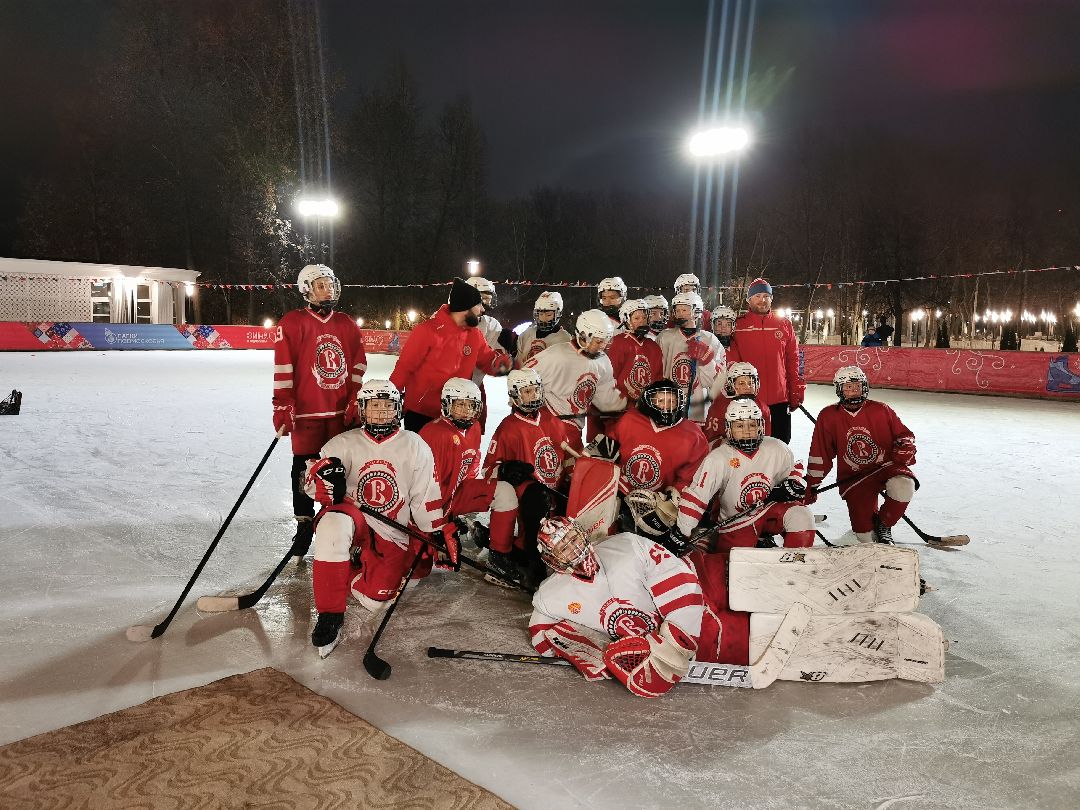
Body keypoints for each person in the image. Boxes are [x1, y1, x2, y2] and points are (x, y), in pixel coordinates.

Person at [302, 380, 456, 657]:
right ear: (362, 410)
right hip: (353, 518)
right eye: (374, 407)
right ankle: (330, 615)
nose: (381, 413)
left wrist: (433, 534)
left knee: (377, 601)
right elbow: (312, 484)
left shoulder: (415, 445)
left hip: (392, 529)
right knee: (333, 524)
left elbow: (425, 495)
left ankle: (350, 569)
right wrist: (327, 479)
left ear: (398, 409)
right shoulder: (343, 443)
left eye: (387, 407)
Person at [673, 398, 814, 664]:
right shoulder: (719, 458)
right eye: (740, 426)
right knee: (735, 579)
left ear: (762, 426)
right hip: (735, 522)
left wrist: (793, 485)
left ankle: (795, 575)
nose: (747, 431)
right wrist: (682, 533)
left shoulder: (776, 448)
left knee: (801, 516)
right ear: (729, 428)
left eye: (752, 425)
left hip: (769, 512)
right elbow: (696, 497)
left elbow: (795, 470)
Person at [528, 516, 712, 698]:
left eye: (573, 538)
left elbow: (678, 577)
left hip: (690, 626)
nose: (574, 548)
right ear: (553, 559)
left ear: (582, 533)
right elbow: (541, 634)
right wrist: (599, 658)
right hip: (635, 647)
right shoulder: (550, 595)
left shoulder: (627, 546)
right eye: (564, 548)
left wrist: (678, 640)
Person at [273, 263, 367, 558]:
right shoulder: (291, 322)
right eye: (321, 285)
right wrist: (283, 403)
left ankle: (341, 524)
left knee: (343, 471)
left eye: (330, 284)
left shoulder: (346, 324)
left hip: (339, 414)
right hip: (307, 415)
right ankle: (303, 528)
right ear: (306, 290)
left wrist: (354, 396)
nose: (328, 289)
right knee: (303, 470)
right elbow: (284, 368)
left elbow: (357, 363)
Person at [419, 377, 527, 587]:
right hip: (427, 506)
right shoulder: (435, 434)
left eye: (471, 405)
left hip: (454, 495)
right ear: (446, 405)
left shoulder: (474, 427)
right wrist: (440, 525)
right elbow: (424, 487)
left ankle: (498, 557)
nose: (466, 411)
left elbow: (470, 468)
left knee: (504, 492)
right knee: (415, 573)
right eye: (460, 405)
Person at [804, 366, 917, 544]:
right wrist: (811, 484)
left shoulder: (881, 410)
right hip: (854, 478)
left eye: (856, 386)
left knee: (904, 485)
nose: (853, 391)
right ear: (839, 390)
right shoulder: (828, 416)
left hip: (885, 468)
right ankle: (873, 531)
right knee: (865, 537)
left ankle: (884, 524)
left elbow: (904, 435)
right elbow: (820, 453)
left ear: (864, 387)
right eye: (847, 387)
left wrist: (905, 447)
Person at [482, 368, 573, 586]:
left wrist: (573, 475)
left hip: (553, 484)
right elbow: (488, 470)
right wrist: (504, 469)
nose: (533, 396)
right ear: (514, 395)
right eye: (526, 392)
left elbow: (567, 456)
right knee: (537, 498)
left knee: (571, 496)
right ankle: (535, 562)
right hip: (529, 490)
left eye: (535, 390)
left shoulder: (551, 420)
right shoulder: (508, 428)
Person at [389, 277, 512, 433]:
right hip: (422, 413)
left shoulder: (474, 335)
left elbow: (489, 362)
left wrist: (509, 363)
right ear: (466, 307)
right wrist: (390, 397)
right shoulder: (427, 331)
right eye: (479, 304)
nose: (482, 310)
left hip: (455, 414)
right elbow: (404, 368)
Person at [524, 309, 626, 451]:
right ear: (584, 336)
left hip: (574, 430)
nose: (603, 346)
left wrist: (625, 406)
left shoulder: (603, 362)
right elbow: (522, 379)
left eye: (606, 341)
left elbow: (606, 397)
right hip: (547, 428)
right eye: (599, 341)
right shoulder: (555, 355)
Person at [727, 277, 804, 444]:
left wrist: (795, 390)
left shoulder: (783, 324)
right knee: (751, 447)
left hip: (779, 399)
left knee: (781, 444)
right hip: (749, 399)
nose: (762, 300)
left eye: (766, 296)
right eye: (757, 296)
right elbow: (730, 360)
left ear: (771, 298)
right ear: (749, 299)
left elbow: (793, 361)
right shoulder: (738, 326)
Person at [608, 379, 709, 497]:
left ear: (679, 403)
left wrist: (674, 494)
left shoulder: (694, 436)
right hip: (620, 491)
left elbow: (691, 477)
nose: (666, 406)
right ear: (649, 401)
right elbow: (606, 451)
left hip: (659, 503)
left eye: (672, 401)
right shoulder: (630, 419)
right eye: (660, 400)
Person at [587, 298, 664, 439]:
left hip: (644, 412)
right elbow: (608, 378)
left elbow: (657, 379)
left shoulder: (653, 346)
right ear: (626, 320)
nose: (642, 321)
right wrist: (618, 404)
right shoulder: (618, 343)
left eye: (645, 317)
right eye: (637, 317)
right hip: (619, 413)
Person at [656, 291, 725, 425]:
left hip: (697, 408)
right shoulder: (665, 337)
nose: (680, 313)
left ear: (697, 311)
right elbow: (659, 371)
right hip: (668, 404)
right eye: (677, 310)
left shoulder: (710, 339)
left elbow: (717, 381)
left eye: (684, 309)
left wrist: (706, 360)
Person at [465, 276, 514, 432]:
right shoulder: (450, 321)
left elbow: (495, 358)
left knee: (476, 430)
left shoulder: (490, 324)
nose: (486, 304)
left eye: (488, 298)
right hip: (444, 386)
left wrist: (511, 348)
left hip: (475, 385)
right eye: (483, 298)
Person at [702, 361, 772, 447]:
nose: (748, 387)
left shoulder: (763, 408)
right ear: (732, 385)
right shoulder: (719, 407)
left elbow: (766, 440)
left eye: (751, 383)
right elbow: (710, 440)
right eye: (742, 383)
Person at [516, 291, 572, 366]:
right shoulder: (526, 335)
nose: (543, 318)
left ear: (558, 314)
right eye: (540, 314)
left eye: (548, 314)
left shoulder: (564, 340)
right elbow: (518, 363)